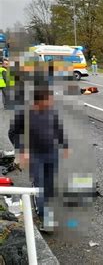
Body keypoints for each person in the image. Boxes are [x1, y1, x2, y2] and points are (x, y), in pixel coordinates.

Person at [12, 85, 69, 230]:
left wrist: (65, 145)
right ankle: (45, 218)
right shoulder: (23, 114)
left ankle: (48, 209)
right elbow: (13, 133)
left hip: (52, 153)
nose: (52, 102)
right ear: (39, 100)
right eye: (50, 99)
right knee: (39, 187)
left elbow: (58, 128)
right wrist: (21, 150)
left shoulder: (51, 112)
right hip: (35, 155)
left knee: (49, 185)